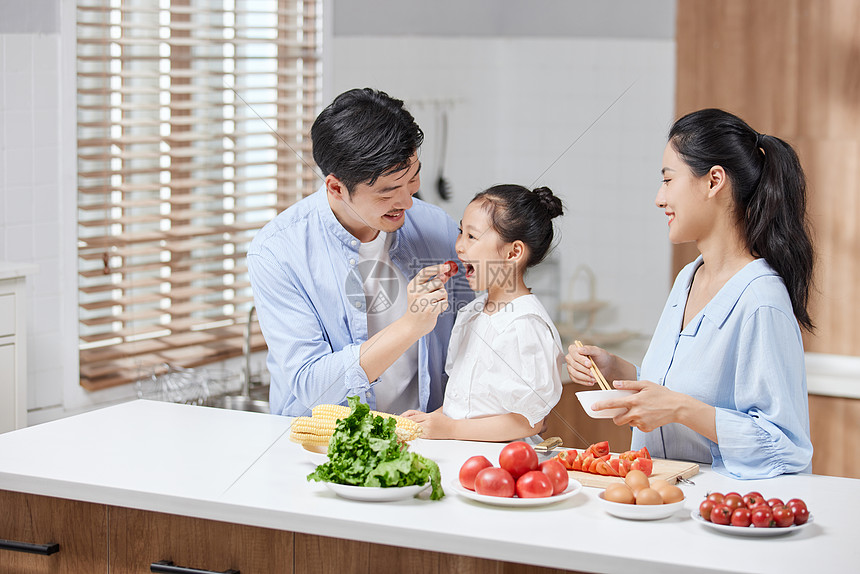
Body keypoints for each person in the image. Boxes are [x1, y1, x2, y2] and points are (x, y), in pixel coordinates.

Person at [566, 108, 814, 479]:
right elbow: (680, 390)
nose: (659, 198)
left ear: (714, 181)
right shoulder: (688, 278)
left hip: (723, 518)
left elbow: (785, 448)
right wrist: (617, 371)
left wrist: (681, 409)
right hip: (664, 500)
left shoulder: (761, 299)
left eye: (668, 180)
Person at [248, 88, 472, 417]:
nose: (409, 202)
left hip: (425, 444)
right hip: (325, 452)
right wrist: (411, 325)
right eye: (388, 192)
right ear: (336, 188)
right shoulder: (278, 252)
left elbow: (477, 333)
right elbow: (313, 385)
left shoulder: (437, 228)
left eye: (412, 179)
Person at [402, 184, 565, 442]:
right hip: (464, 455)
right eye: (460, 232)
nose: (459, 247)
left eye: (472, 237)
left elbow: (529, 422)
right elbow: (465, 402)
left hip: (504, 463)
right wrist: (431, 420)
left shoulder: (525, 324)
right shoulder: (471, 312)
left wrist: (450, 430)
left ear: (513, 252)